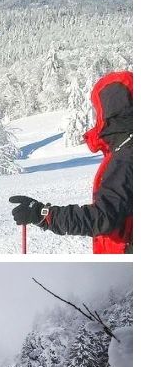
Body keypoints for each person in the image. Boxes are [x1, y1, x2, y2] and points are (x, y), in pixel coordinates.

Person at [10, 71, 132, 253]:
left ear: (110, 110)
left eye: (97, 110)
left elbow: (102, 218)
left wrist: (44, 214)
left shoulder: (126, 158)